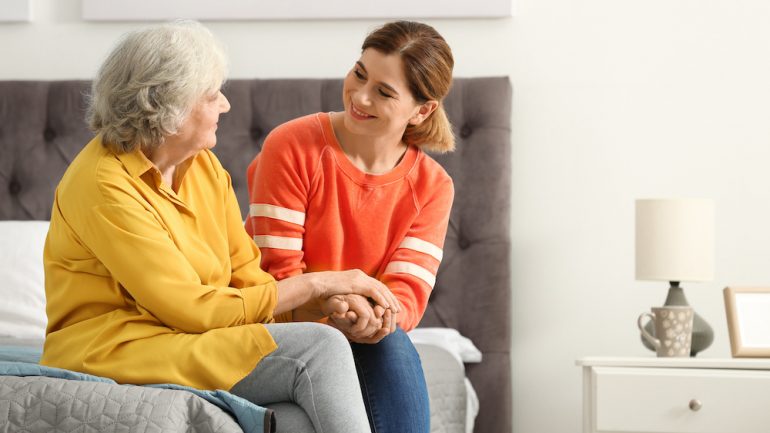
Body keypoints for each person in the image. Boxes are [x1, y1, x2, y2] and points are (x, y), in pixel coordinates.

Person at [40, 20, 398, 433]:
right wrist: (319, 284)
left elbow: (249, 287)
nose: (226, 105)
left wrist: (326, 306)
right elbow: (191, 309)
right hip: (116, 348)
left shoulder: (204, 167)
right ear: (167, 108)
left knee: (295, 419)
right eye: (212, 96)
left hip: (188, 338)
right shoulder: (103, 184)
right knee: (319, 348)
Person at [245, 20, 455, 433]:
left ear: (423, 109)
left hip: (366, 336)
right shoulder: (292, 145)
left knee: (389, 342)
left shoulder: (433, 187)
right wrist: (337, 304)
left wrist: (367, 318)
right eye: (359, 73)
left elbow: (405, 296)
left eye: (383, 92)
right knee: (369, 346)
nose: (360, 97)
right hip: (283, 329)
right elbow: (276, 272)